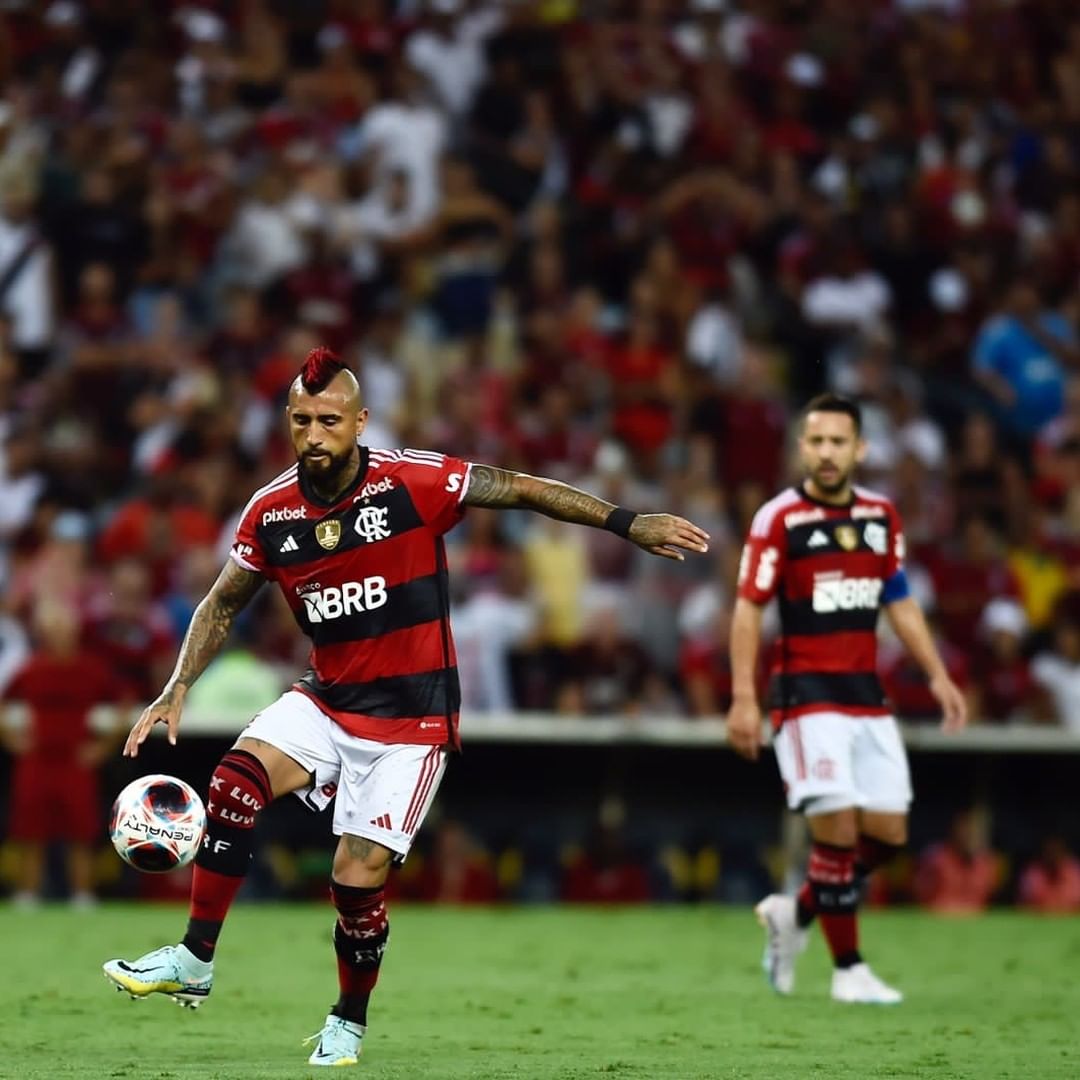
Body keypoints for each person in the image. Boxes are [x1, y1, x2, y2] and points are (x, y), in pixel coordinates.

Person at [102, 347, 709, 1066]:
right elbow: (222, 603)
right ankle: (195, 960)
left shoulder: (412, 481)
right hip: (326, 699)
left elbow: (515, 487)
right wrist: (176, 687)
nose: (314, 433)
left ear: (360, 422)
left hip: (410, 722)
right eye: (301, 420)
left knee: (354, 878)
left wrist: (625, 522)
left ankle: (348, 1021)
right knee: (235, 780)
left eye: (330, 420)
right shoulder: (272, 511)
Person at [727, 394, 967, 1005]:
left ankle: (795, 914)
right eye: (816, 441)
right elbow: (748, 610)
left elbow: (900, 599)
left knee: (886, 834)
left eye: (839, 441)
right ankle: (849, 971)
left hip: (866, 694)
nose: (827, 452)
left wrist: (937, 674)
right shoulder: (778, 519)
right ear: (802, 448)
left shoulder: (882, 516)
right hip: (806, 695)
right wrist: (743, 698)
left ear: (860, 449)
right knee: (834, 832)